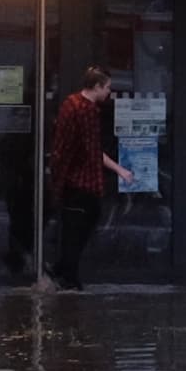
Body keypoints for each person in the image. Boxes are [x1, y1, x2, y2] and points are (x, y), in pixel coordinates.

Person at [47, 60, 111, 290]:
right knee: (80, 227)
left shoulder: (69, 104)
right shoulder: (87, 111)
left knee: (75, 226)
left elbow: (67, 144)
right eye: (106, 87)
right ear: (96, 86)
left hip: (68, 177)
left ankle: (63, 269)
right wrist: (116, 171)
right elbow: (91, 150)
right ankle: (67, 275)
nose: (109, 92)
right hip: (81, 180)